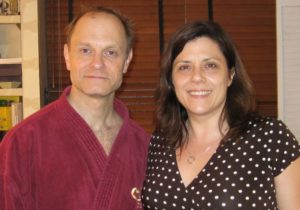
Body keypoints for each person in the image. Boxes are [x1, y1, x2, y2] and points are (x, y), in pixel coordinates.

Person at [0, 6, 150, 210]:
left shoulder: (145, 146)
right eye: (85, 50)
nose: (97, 63)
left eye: (111, 52)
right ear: (67, 56)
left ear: (127, 61)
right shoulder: (22, 142)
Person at [141, 21, 300, 209]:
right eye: (184, 67)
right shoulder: (160, 141)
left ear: (230, 75)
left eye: (210, 65)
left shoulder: (270, 137)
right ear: (171, 80)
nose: (197, 77)